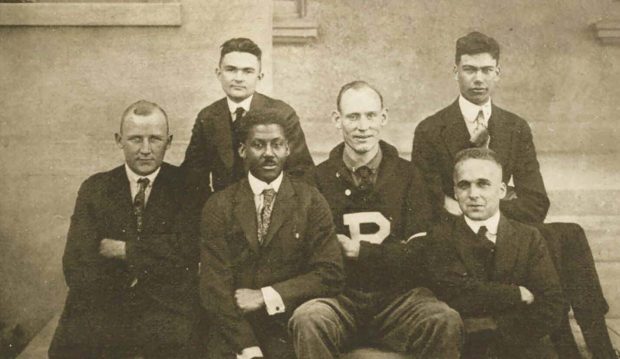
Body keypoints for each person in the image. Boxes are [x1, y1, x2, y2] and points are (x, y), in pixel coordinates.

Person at [412, 31, 615, 358]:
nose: (478, 79)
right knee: (539, 246)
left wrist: (494, 214)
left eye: (486, 70)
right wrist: (481, 207)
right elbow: (429, 202)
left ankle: (600, 346)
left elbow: (536, 201)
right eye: (469, 69)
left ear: (498, 73)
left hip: (500, 226)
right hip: (457, 238)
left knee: (568, 235)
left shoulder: (514, 127)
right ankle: (562, 343)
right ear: (455, 72)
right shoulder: (431, 129)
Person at [288, 81, 462, 359]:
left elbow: (421, 253)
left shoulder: (410, 176)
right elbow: (312, 254)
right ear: (337, 119)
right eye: (353, 116)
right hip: (340, 297)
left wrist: (359, 251)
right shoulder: (316, 180)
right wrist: (392, 251)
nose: (362, 126)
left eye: (370, 115)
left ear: (384, 117)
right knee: (308, 319)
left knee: (443, 318)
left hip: (399, 298)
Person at [49, 100, 198, 358]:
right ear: (119, 140)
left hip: (168, 309)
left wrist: (126, 250)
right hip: (106, 306)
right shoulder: (95, 189)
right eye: (135, 139)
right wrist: (155, 254)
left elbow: (189, 253)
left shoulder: (187, 187)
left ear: (169, 141)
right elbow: (76, 264)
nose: (145, 150)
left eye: (155, 139)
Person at [199, 110, 344, 359]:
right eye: (258, 145)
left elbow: (329, 274)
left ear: (288, 149)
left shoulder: (311, 200)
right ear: (243, 150)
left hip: (287, 327)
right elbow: (214, 287)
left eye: (276, 144)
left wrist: (265, 296)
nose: (268, 153)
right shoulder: (219, 205)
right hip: (232, 330)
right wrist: (247, 346)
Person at [425, 148, 564, 358]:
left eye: (483, 184)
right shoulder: (440, 237)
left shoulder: (528, 237)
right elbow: (453, 294)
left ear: (501, 191)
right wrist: (517, 294)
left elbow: (552, 303)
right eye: (464, 185)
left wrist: (498, 332)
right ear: (454, 192)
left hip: (522, 346)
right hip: (466, 350)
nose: (473, 194)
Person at [181, 37, 315, 215]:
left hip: (274, 211)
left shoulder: (283, 114)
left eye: (247, 71)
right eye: (231, 70)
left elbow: (302, 174)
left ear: (259, 76)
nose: (238, 78)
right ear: (218, 73)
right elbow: (194, 179)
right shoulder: (208, 117)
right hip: (225, 215)